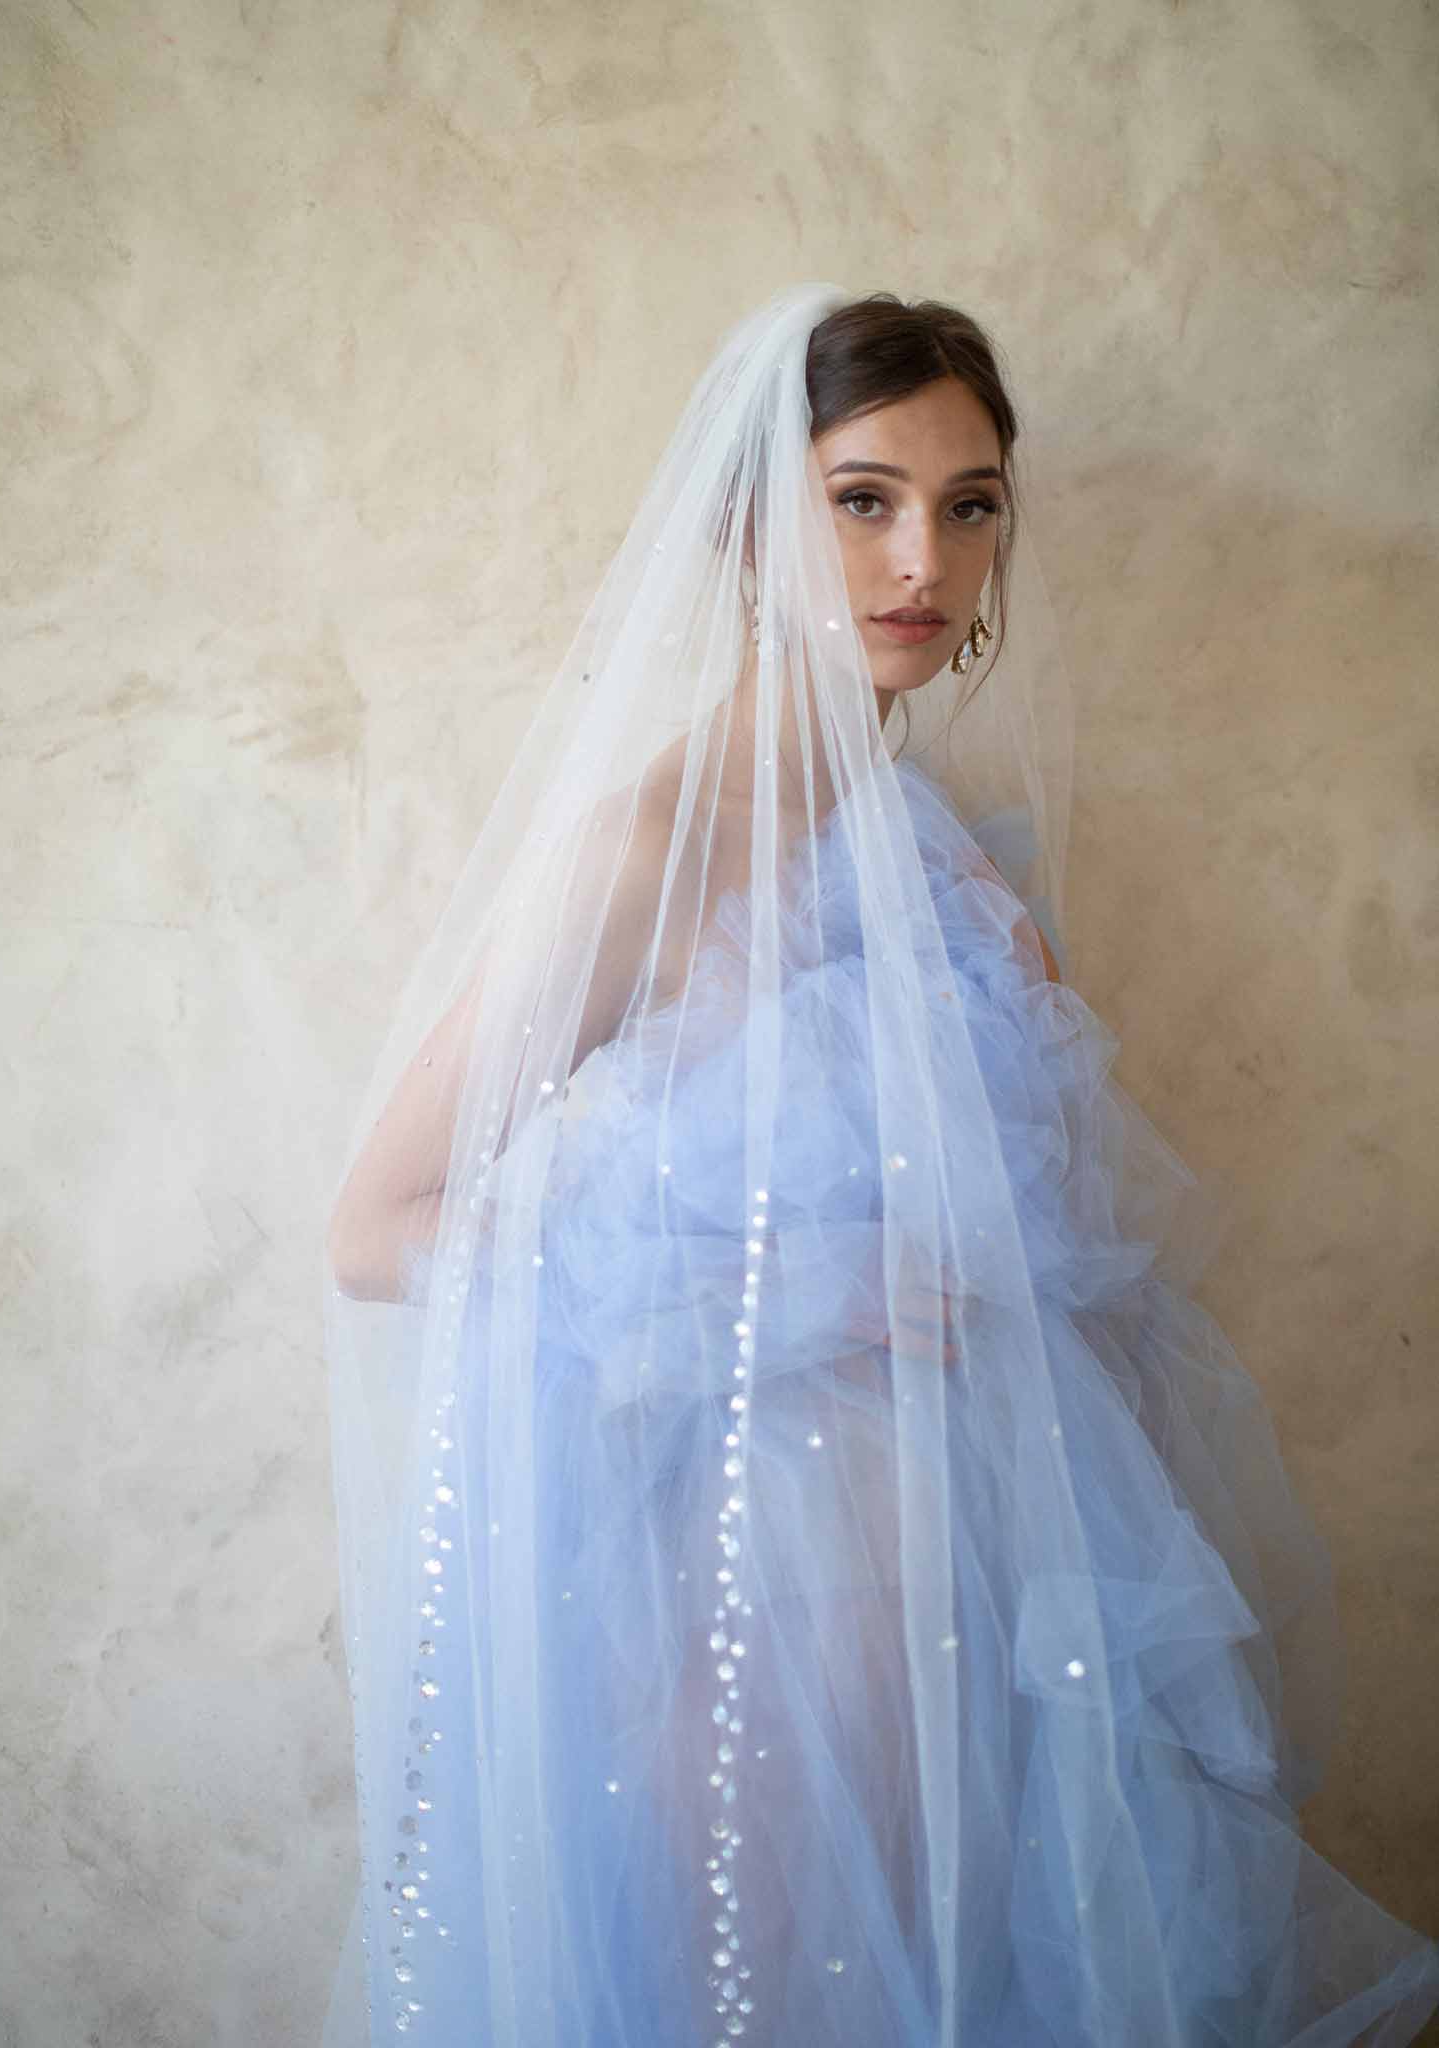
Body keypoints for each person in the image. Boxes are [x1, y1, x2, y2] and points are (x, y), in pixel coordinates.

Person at [319, 286, 1439, 2048]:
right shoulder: (642, 854)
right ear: (754, 525)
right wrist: (784, 1291)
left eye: (969, 501)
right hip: (755, 1628)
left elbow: (1057, 1262)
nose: (923, 554)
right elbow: (376, 1230)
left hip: (1001, 1628)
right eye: (864, 497)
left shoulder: (952, 868)